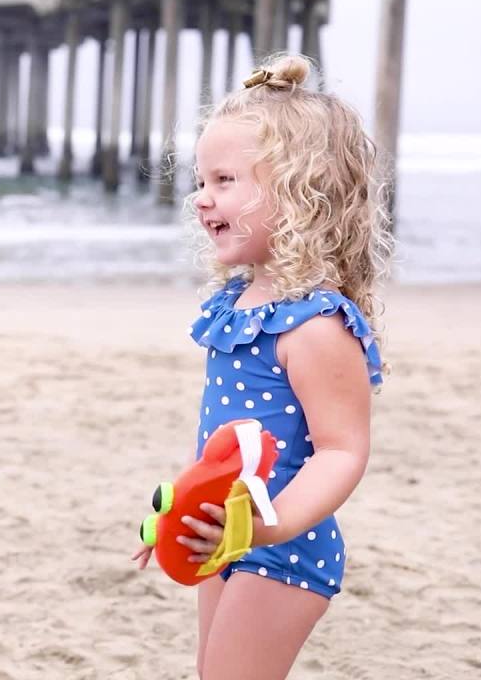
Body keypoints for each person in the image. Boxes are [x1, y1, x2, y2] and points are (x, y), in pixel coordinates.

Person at [132, 54, 390, 679]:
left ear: (301, 192)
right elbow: (221, 444)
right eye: (201, 180)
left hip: (283, 546)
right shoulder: (237, 305)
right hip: (222, 530)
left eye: (224, 180)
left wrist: (266, 527)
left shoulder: (315, 325)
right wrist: (179, 509)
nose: (201, 198)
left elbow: (342, 451)